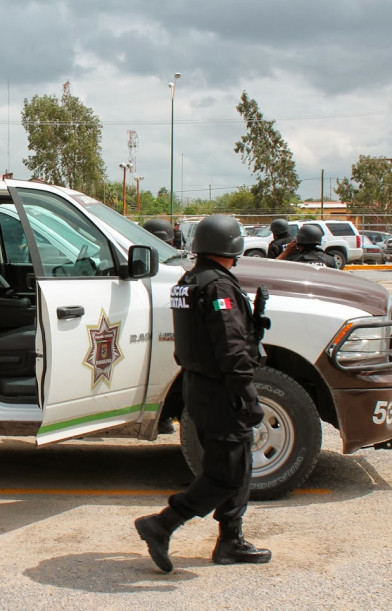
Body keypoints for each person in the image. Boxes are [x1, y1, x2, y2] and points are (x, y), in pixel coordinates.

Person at [135, 214, 271, 572]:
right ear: (233, 246)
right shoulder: (217, 287)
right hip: (221, 389)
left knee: (238, 465)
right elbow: (230, 348)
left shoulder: (190, 280)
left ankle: (231, 540)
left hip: (200, 384)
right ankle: (162, 524)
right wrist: (248, 394)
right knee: (224, 474)